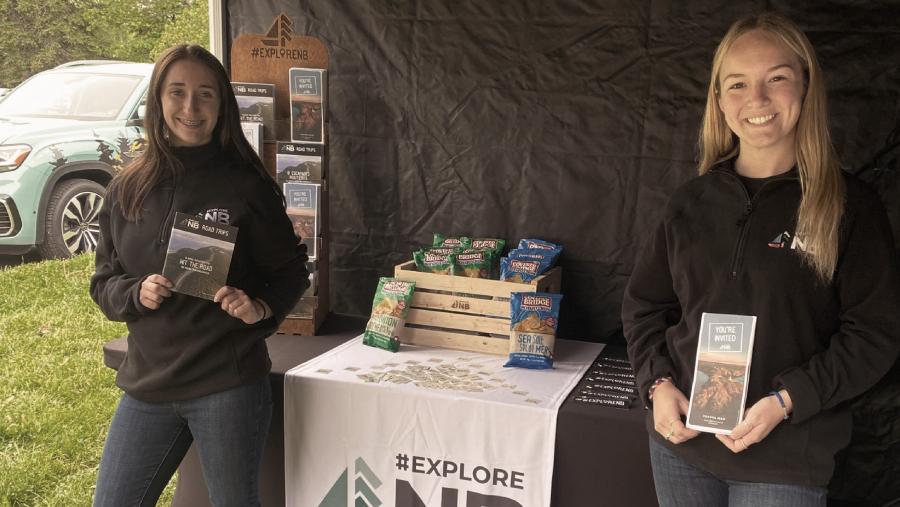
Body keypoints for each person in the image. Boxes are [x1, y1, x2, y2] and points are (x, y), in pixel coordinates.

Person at [622, 12, 900, 507]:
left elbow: (875, 335)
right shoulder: (690, 202)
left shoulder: (848, 206)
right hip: (682, 447)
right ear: (718, 100)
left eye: (777, 78)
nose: (758, 101)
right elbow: (644, 306)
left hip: (785, 456)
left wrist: (785, 401)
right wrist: (658, 385)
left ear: (806, 87)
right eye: (738, 84)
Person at [90, 44, 309, 507]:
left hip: (226, 387)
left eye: (205, 94)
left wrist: (260, 307)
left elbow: (290, 272)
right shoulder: (127, 187)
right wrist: (134, 293)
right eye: (177, 92)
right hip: (148, 386)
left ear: (222, 105)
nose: (190, 108)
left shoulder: (247, 186)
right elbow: (103, 282)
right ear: (158, 100)